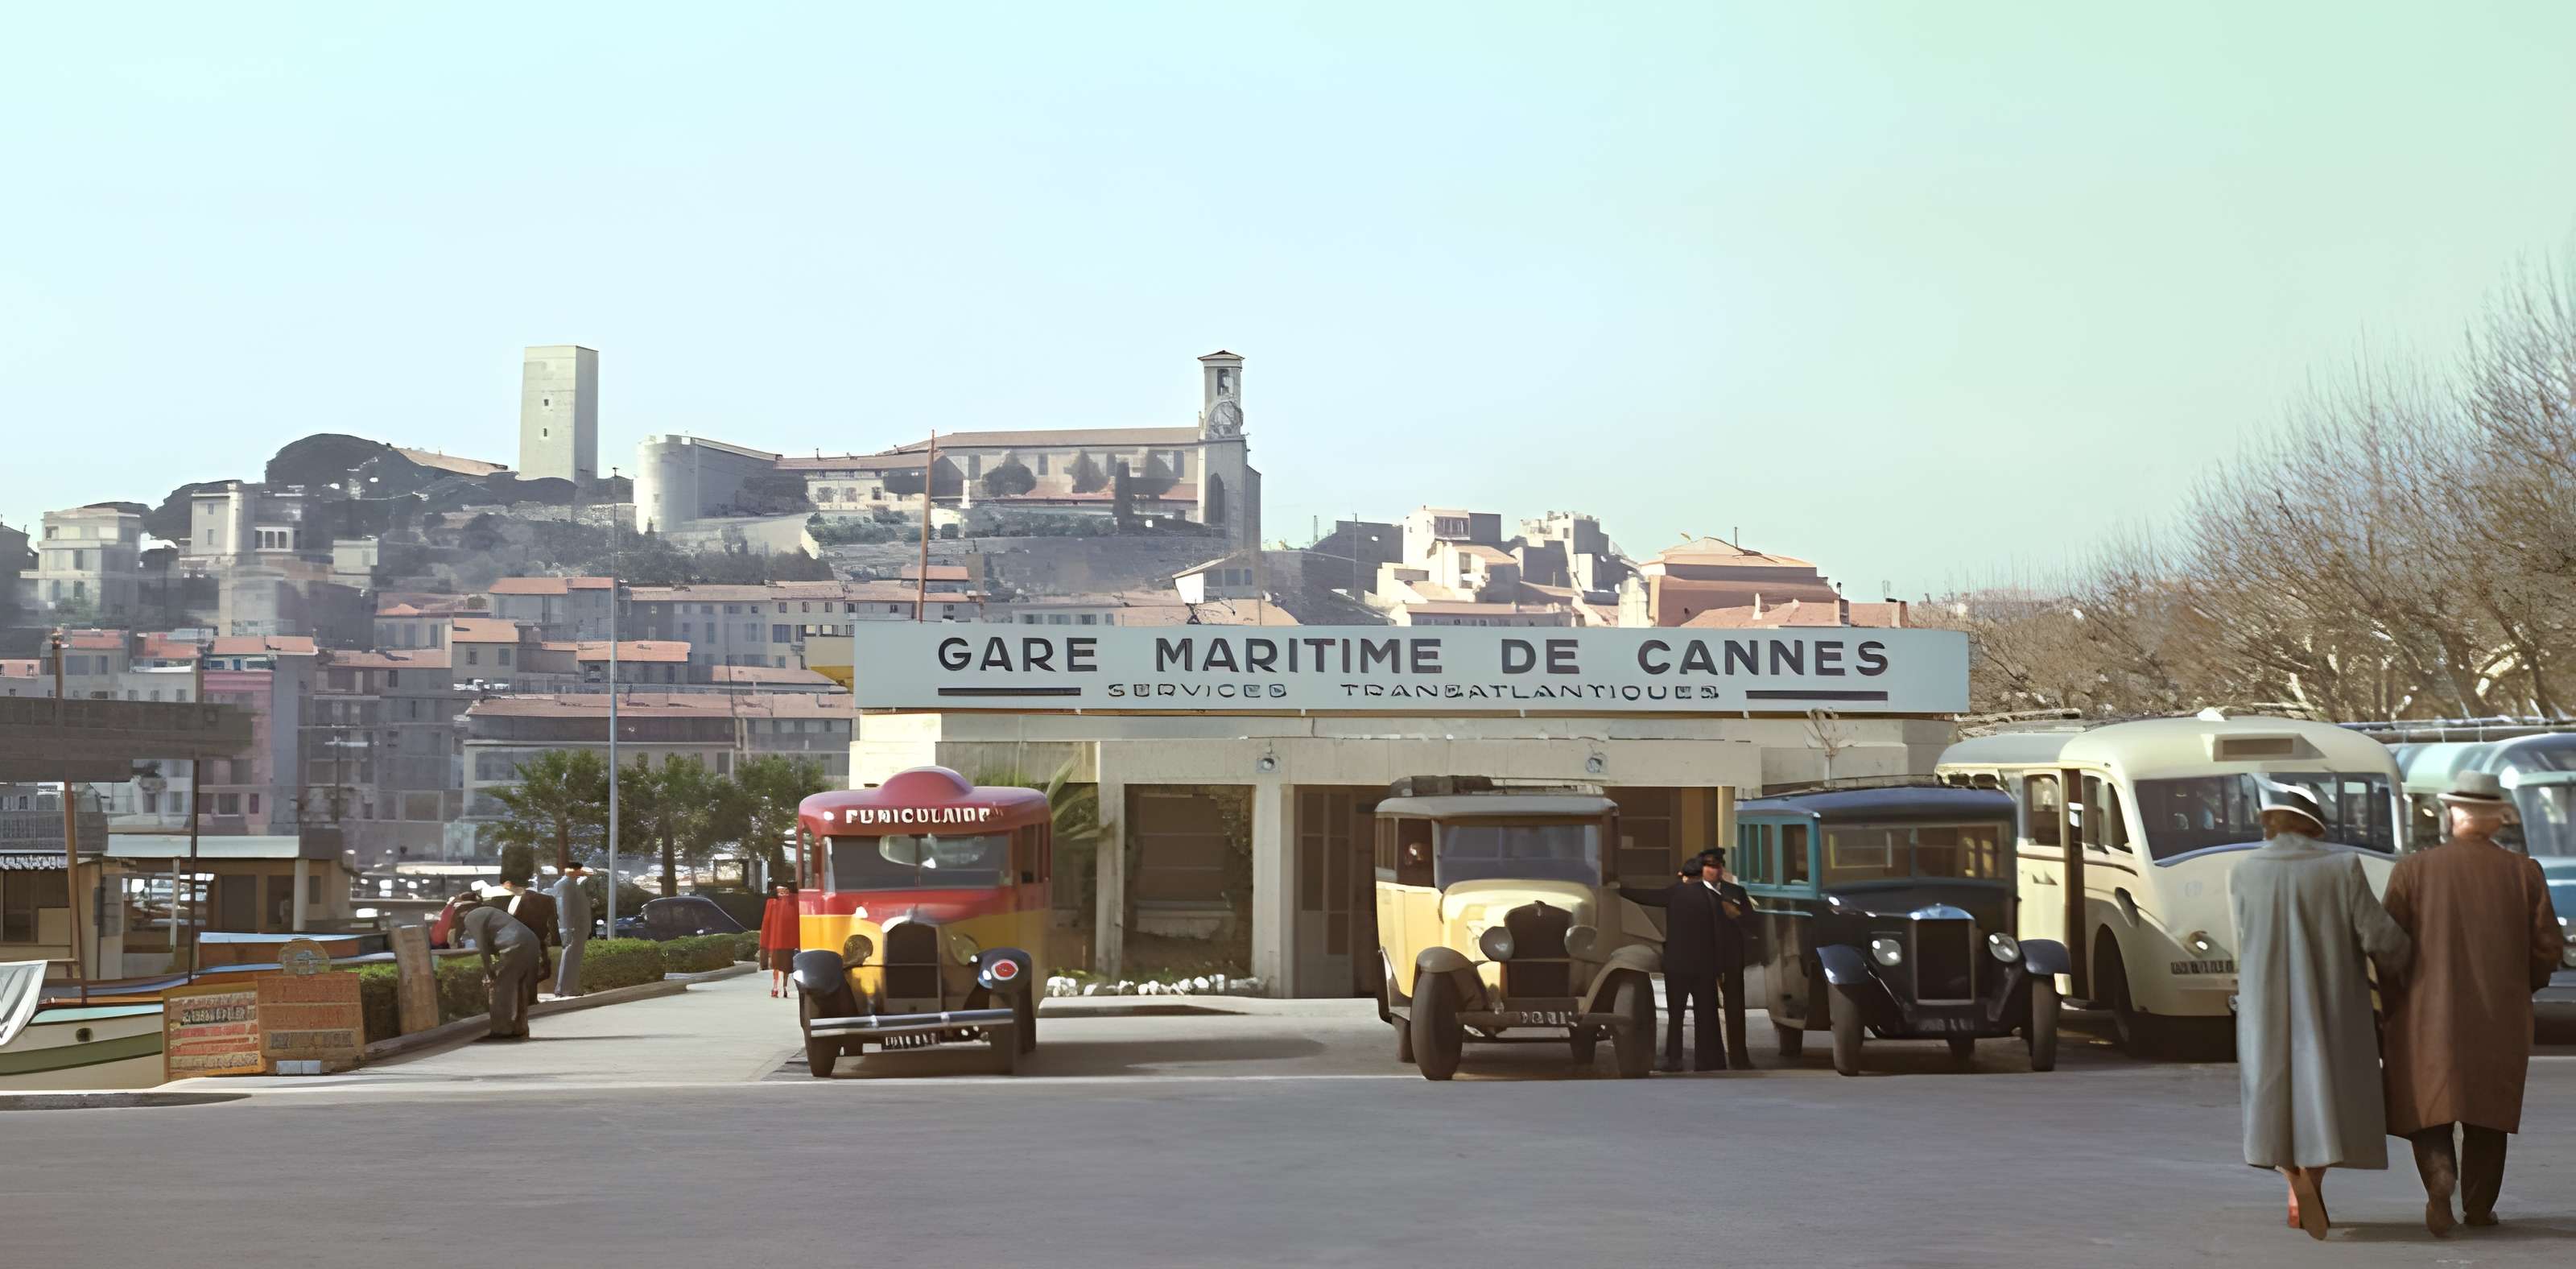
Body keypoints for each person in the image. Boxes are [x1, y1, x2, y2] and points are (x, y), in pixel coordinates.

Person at [2381, 771, 2567, 1234]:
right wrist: (2521, 986)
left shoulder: (2412, 871)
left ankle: (2439, 1181)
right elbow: (2548, 947)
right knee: (2489, 1110)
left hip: (2425, 1012)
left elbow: (2387, 943)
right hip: (2499, 1012)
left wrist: (2395, 996)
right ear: (2497, 820)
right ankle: (2480, 1207)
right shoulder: (2524, 872)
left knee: (2430, 1104)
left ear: (2451, 814)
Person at [2229, 782, 2409, 1240]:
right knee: (2327, 1096)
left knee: (2273, 1095)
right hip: (2330, 1003)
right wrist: (2406, 958)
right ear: (2314, 824)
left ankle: (2293, 1186)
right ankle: (2311, 1179)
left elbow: (2242, 940)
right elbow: (2379, 937)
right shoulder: (2341, 866)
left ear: (2269, 823)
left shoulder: (2244, 870)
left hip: (2262, 1005)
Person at [1619, 851, 1749, 1073]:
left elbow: (1646, 897)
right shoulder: (1714, 899)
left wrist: (1620, 890)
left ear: (1683, 875)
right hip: (1705, 967)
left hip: (1676, 966)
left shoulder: (1674, 893)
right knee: (1706, 1015)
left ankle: (1674, 1059)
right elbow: (1720, 933)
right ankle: (1708, 1060)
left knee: (1676, 1015)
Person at [456, 900, 539, 1040]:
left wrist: (488, 972)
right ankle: (520, 1027)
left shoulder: (471, 918)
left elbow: (482, 947)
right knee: (519, 987)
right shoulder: (489, 911)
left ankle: (501, 1030)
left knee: (500, 988)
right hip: (530, 941)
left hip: (514, 944)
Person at [494, 873, 559, 1006]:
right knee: (542, 970)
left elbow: (513, 921)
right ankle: (529, 997)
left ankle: (526, 996)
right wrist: (555, 940)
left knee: (527, 970)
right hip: (538, 940)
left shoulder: (519, 900)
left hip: (522, 939)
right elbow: (553, 922)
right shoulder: (549, 899)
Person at [548, 864, 592, 998]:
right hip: (572, 929)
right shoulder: (564, 885)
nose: (582, 871)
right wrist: (567, 929)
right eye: (579, 869)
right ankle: (563, 988)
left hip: (578, 928)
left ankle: (570, 987)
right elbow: (564, 909)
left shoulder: (573, 884)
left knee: (574, 959)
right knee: (569, 958)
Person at [760, 882, 803, 998]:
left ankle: (782, 988)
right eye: (780, 892)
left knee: (786, 967)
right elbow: (767, 924)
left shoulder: (794, 903)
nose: (783, 894)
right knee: (779, 967)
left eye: (784, 891)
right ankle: (779, 988)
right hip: (780, 943)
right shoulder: (773, 904)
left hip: (786, 943)